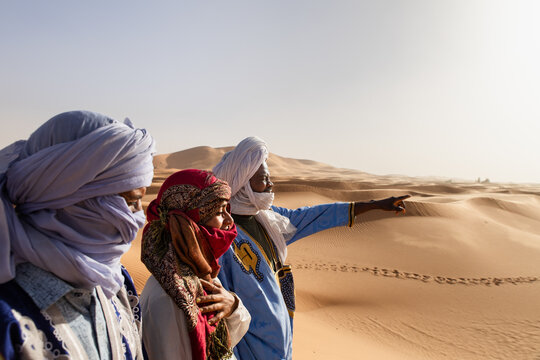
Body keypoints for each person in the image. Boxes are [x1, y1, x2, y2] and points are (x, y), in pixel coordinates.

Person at [212, 136, 409, 360]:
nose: (270, 184)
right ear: (244, 180)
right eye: (264, 178)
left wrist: (374, 205)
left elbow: (316, 215)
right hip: (248, 343)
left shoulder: (270, 220)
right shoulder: (220, 236)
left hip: (280, 334)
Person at [0, 110, 155, 360]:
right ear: (73, 201)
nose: (139, 218)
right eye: (132, 201)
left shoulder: (116, 284)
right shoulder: (7, 316)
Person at [140, 169, 251, 360]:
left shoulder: (202, 276)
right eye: (218, 211)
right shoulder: (166, 299)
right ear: (189, 222)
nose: (229, 221)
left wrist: (233, 306)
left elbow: (224, 346)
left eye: (228, 209)